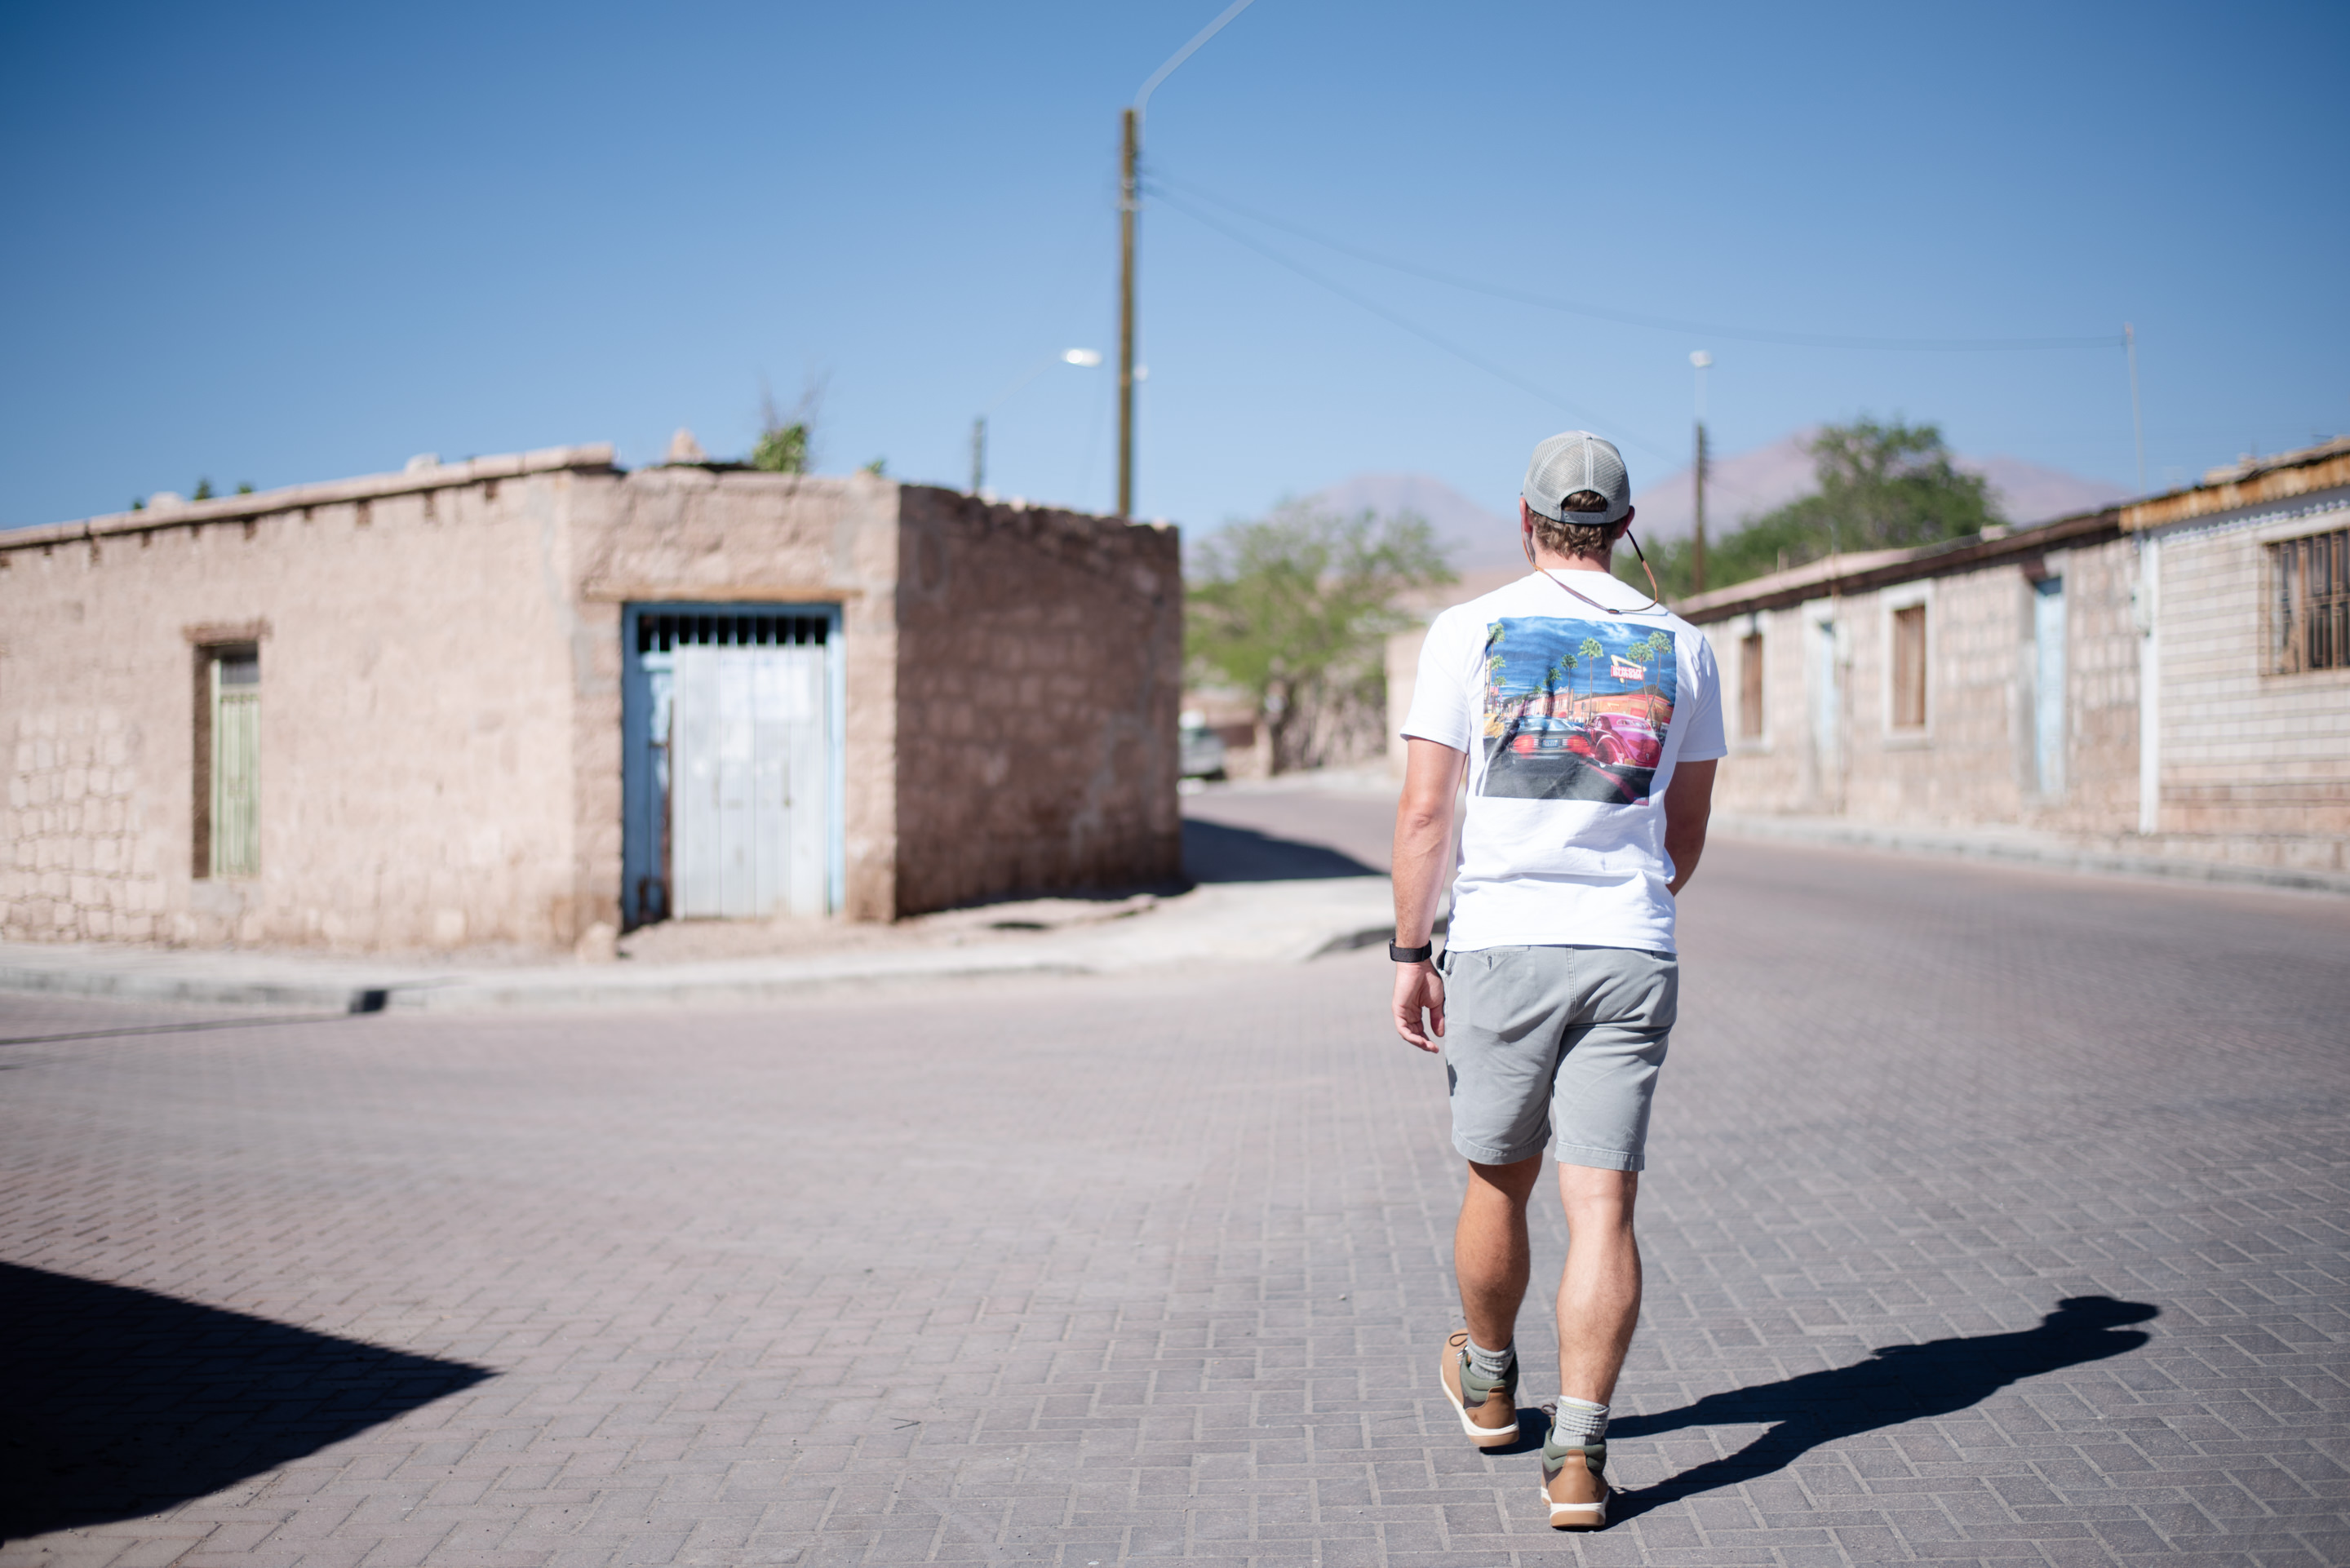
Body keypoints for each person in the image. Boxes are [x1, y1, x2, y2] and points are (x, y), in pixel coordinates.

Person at [1387, 431, 1723, 1530]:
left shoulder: (1467, 629)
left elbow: (1427, 812)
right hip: (1630, 944)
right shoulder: (1685, 645)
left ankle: (1488, 1384)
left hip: (1501, 943)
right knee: (1604, 1205)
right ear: (1626, 529)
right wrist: (1621, 897)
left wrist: (1407, 951)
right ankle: (1578, 1458)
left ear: (1525, 521)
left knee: (1499, 1181)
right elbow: (1685, 831)